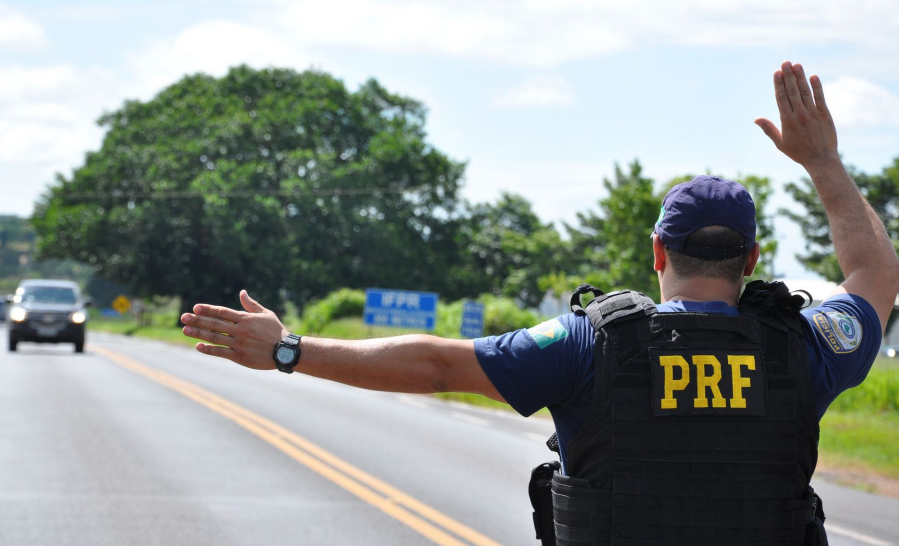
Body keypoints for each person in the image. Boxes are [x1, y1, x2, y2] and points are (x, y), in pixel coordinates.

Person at [181, 61, 899, 545]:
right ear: (751, 260)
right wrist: (823, 162)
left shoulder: (589, 344)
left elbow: (436, 365)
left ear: (657, 252)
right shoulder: (806, 347)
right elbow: (874, 273)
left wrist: (289, 350)